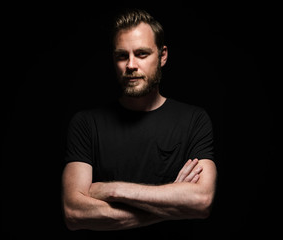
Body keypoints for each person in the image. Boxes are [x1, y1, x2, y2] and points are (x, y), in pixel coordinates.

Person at [61, 8, 217, 233]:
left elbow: (201, 202)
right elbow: (74, 213)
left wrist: (113, 190)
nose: (131, 65)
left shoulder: (194, 120)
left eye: (142, 54)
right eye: (122, 56)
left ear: (162, 56)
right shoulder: (86, 124)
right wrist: (173, 200)